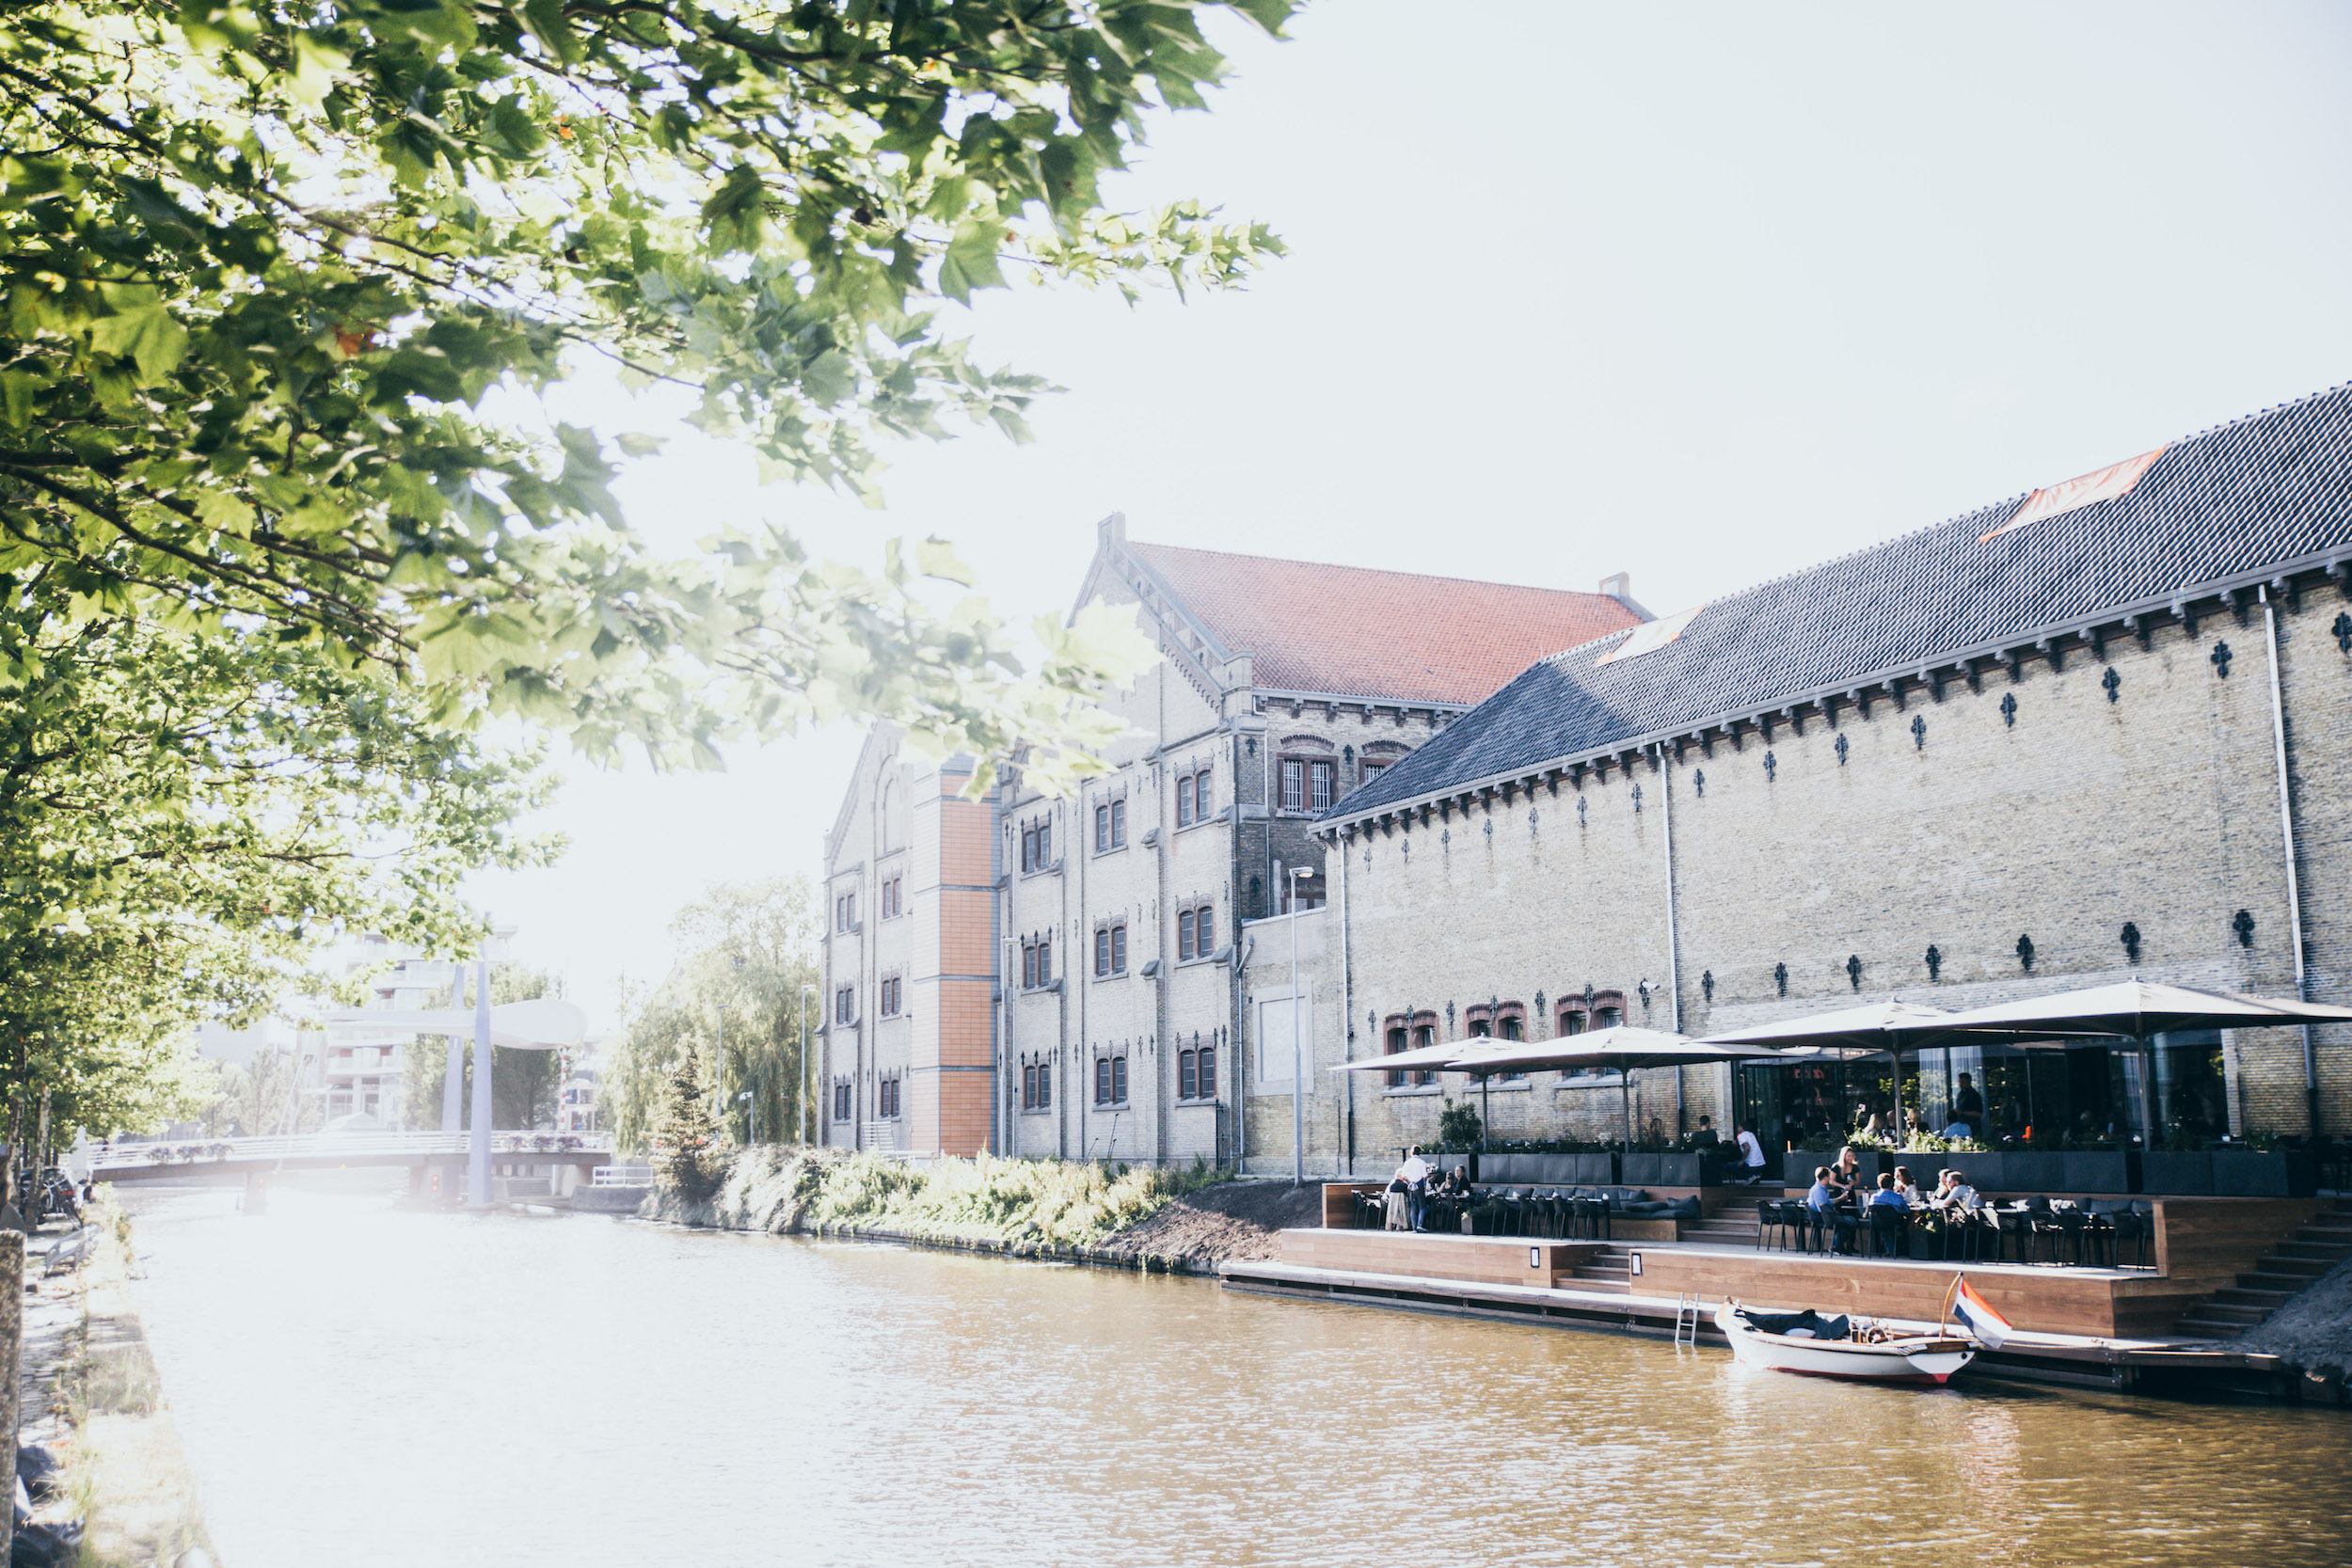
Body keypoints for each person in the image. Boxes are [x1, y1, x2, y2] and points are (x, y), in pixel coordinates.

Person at [1805, 1165, 1856, 1254]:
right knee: (1851, 1221)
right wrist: (1834, 1212)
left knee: (1846, 1221)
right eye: (1829, 1177)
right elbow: (1822, 1207)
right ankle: (1836, 1245)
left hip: (1823, 1216)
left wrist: (1840, 1199)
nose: (1830, 1179)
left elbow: (1826, 1202)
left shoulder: (1818, 1188)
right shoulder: (1818, 1190)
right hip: (1823, 1217)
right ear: (1825, 1178)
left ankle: (1838, 1245)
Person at [1396, 1146, 1432, 1232]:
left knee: (1413, 1206)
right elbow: (1424, 1175)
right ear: (1419, 1153)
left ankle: (1414, 1227)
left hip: (1410, 1185)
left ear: (1411, 1153)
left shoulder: (1407, 1162)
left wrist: (1409, 1180)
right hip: (1419, 1185)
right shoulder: (1421, 1162)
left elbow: (1403, 1175)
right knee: (1422, 1206)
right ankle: (1420, 1224)